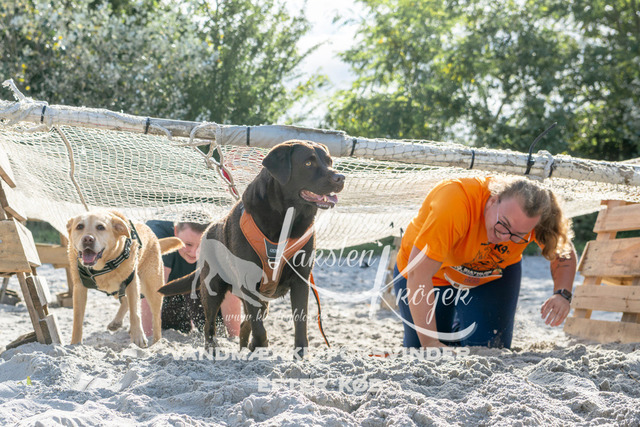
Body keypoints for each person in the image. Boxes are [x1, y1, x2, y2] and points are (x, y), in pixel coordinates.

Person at [393, 176, 577, 349]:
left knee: (488, 347)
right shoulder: (455, 202)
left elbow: (563, 251)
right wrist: (430, 342)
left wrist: (562, 293)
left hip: (489, 275)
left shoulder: (535, 218)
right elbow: (418, 274)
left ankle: (464, 325)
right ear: (492, 201)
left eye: (518, 235)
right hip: (431, 275)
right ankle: (457, 325)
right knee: (422, 348)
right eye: (503, 224)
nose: (504, 237)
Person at [142, 215, 242, 337]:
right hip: (169, 287)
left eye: (200, 246)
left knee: (214, 325)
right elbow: (151, 293)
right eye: (188, 244)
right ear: (176, 232)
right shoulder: (158, 237)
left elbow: (229, 291)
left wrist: (235, 337)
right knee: (175, 324)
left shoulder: (219, 239)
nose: (194, 253)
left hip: (199, 283)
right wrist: (148, 337)